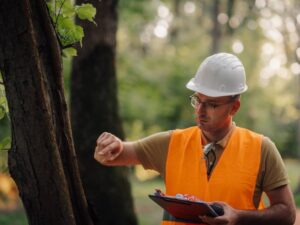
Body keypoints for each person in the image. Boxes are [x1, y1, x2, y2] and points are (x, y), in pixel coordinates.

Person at [94, 52, 296, 225]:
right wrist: (112, 146)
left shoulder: (262, 149)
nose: (200, 111)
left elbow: (287, 214)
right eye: (197, 100)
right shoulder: (171, 143)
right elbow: (118, 154)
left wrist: (239, 217)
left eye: (212, 104)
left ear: (234, 107)